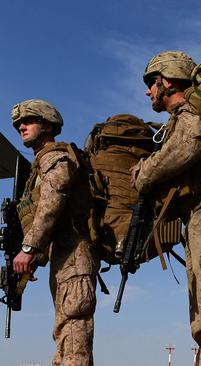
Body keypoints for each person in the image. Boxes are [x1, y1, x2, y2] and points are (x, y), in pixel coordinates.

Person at [130, 51, 201, 366]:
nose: (148, 91)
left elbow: (192, 139)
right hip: (197, 217)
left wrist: (146, 171)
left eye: (152, 83)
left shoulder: (194, 114)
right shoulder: (177, 119)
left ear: (167, 81)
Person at [11, 99, 99, 366]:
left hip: (75, 254)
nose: (21, 127)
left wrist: (29, 248)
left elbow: (52, 204)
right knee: (65, 333)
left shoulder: (55, 157)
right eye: (17, 124)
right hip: (63, 255)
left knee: (73, 334)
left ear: (47, 124)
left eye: (27, 121)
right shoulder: (41, 162)